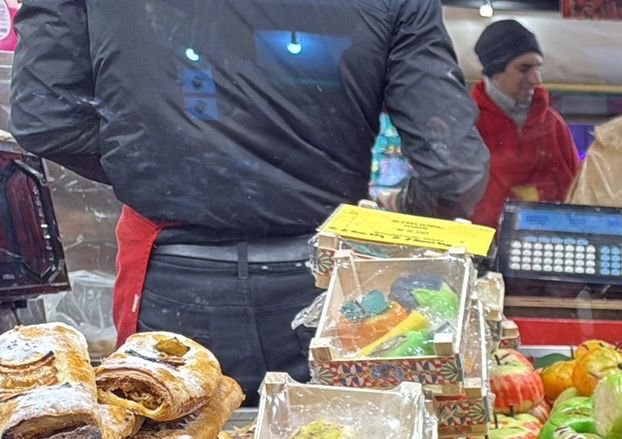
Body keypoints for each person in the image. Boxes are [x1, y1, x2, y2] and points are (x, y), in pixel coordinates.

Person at [11, 0, 489, 398]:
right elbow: (453, 173)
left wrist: (162, 165)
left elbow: (47, 120)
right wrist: (394, 214)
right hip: (331, 285)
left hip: (175, 275)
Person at [469, 20, 581, 228]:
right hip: (482, 249)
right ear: (495, 69)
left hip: (549, 247)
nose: (536, 79)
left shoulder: (553, 123)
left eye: (538, 67)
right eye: (524, 68)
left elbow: (577, 190)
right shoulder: (467, 122)